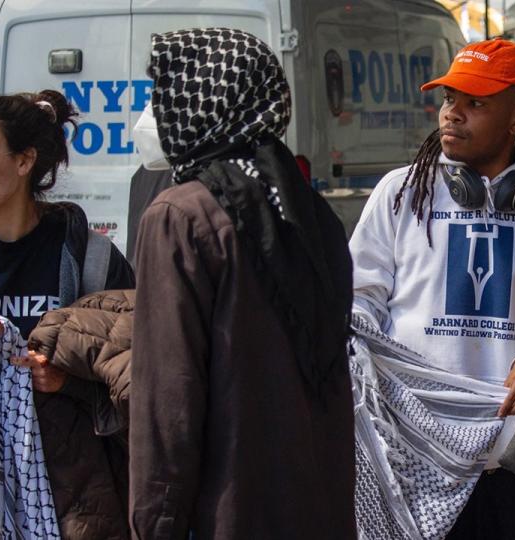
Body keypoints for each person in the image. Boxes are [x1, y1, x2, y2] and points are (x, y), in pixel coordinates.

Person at [349, 38, 515, 540]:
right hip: (411, 448)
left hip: (507, 452)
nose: (452, 114)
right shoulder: (402, 191)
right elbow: (360, 294)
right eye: (448, 100)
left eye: (475, 103)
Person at [129, 28, 356, 539]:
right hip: (313, 507)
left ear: (207, 98)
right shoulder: (306, 208)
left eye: (158, 94)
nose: (151, 112)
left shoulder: (179, 215)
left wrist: (156, 523)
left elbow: (168, 401)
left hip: (226, 512)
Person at [0, 90, 135, 538]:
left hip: (64, 492)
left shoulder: (93, 260)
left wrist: (65, 382)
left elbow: (139, 373)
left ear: (25, 160)